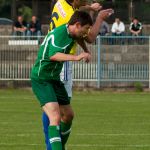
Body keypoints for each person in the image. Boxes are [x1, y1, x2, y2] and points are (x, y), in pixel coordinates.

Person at [42, 0, 114, 150]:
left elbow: (77, 7)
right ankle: (54, 146)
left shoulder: (60, 2)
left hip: (48, 58)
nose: (86, 0)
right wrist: (99, 17)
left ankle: (52, 145)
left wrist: (89, 8)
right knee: (62, 112)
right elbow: (90, 37)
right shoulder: (71, 15)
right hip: (62, 61)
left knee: (51, 106)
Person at [31, 10, 93, 150]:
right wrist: (76, 57)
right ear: (77, 25)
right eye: (86, 28)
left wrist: (86, 50)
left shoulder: (72, 32)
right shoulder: (59, 34)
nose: (87, 32)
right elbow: (54, 55)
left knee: (69, 115)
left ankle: (58, 146)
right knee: (55, 117)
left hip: (54, 79)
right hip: (42, 79)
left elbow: (78, 38)